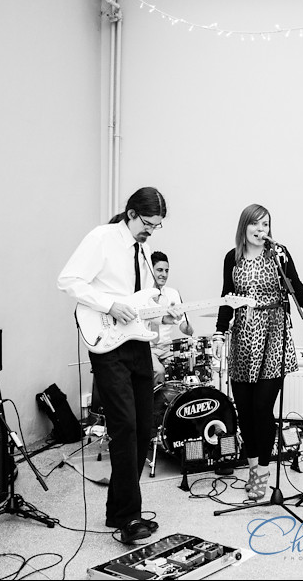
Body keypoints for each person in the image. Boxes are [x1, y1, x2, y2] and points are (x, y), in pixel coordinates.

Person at [57, 187, 182, 544]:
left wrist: (166, 308)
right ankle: (128, 517)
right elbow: (68, 280)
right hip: (108, 343)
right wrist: (109, 305)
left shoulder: (141, 251)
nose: (151, 231)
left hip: (137, 341)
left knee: (145, 426)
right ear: (130, 213)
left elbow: (141, 301)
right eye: (147, 223)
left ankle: (119, 508)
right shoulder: (103, 238)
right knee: (124, 425)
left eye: (156, 226)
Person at [211, 204, 303, 501]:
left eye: (266, 225)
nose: (262, 231)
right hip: (244, 335)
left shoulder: (279, 255)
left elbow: (296, 287)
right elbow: (227, 297)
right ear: (244, 227)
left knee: (262, 408)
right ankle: (251, 469)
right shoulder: (231, 258)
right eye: (256, 225)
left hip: (274, 335)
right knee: (244, 411)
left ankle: (262, 473)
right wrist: (220, 331)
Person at [149, 251, 194, 386]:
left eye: (167, 271)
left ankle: (175, 406)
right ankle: (155, 406)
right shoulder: (140, 294)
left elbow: (181, 323)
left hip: (166, 348)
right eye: (159, 270)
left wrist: (187, 327)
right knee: (158, 371)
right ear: (150, 271)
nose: (164, 274)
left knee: (184, 367)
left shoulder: (172, 293)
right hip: (146, 349)